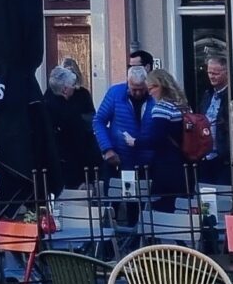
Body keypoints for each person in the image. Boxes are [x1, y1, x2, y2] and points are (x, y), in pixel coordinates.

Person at [92, 49, 157, 177]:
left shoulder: (155, 97)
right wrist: (107, 149)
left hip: (149, 164)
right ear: (128, 83)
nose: (138, 93)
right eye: (134, 89)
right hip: (119, 162)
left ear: (147, 84)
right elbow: (98, 121)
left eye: (141, 89)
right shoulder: (115, 93)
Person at [43, 60, 98, 193]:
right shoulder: (49, 100)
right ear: (65, 89)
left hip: (80, 154)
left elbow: (89, 124)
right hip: (60, 158)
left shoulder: (82, 95)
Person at [139, 68, 191, 207]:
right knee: (181, 207)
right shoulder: (183, 106)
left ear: (160, 86)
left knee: (162, 206)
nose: (150, 93)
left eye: (151, 89)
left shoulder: (161, 108)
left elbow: (157, 139)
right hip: (184, 162)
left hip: (166, 166)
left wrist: (135, 142)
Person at [197, 50, 233, 187]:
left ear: (226, 73)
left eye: (216, 73)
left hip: (223, 159)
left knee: (223, 195)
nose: (211, 76)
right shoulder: (207, 94)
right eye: (209, 73)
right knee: (205, 196)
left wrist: (226, 152)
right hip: (205, 156)